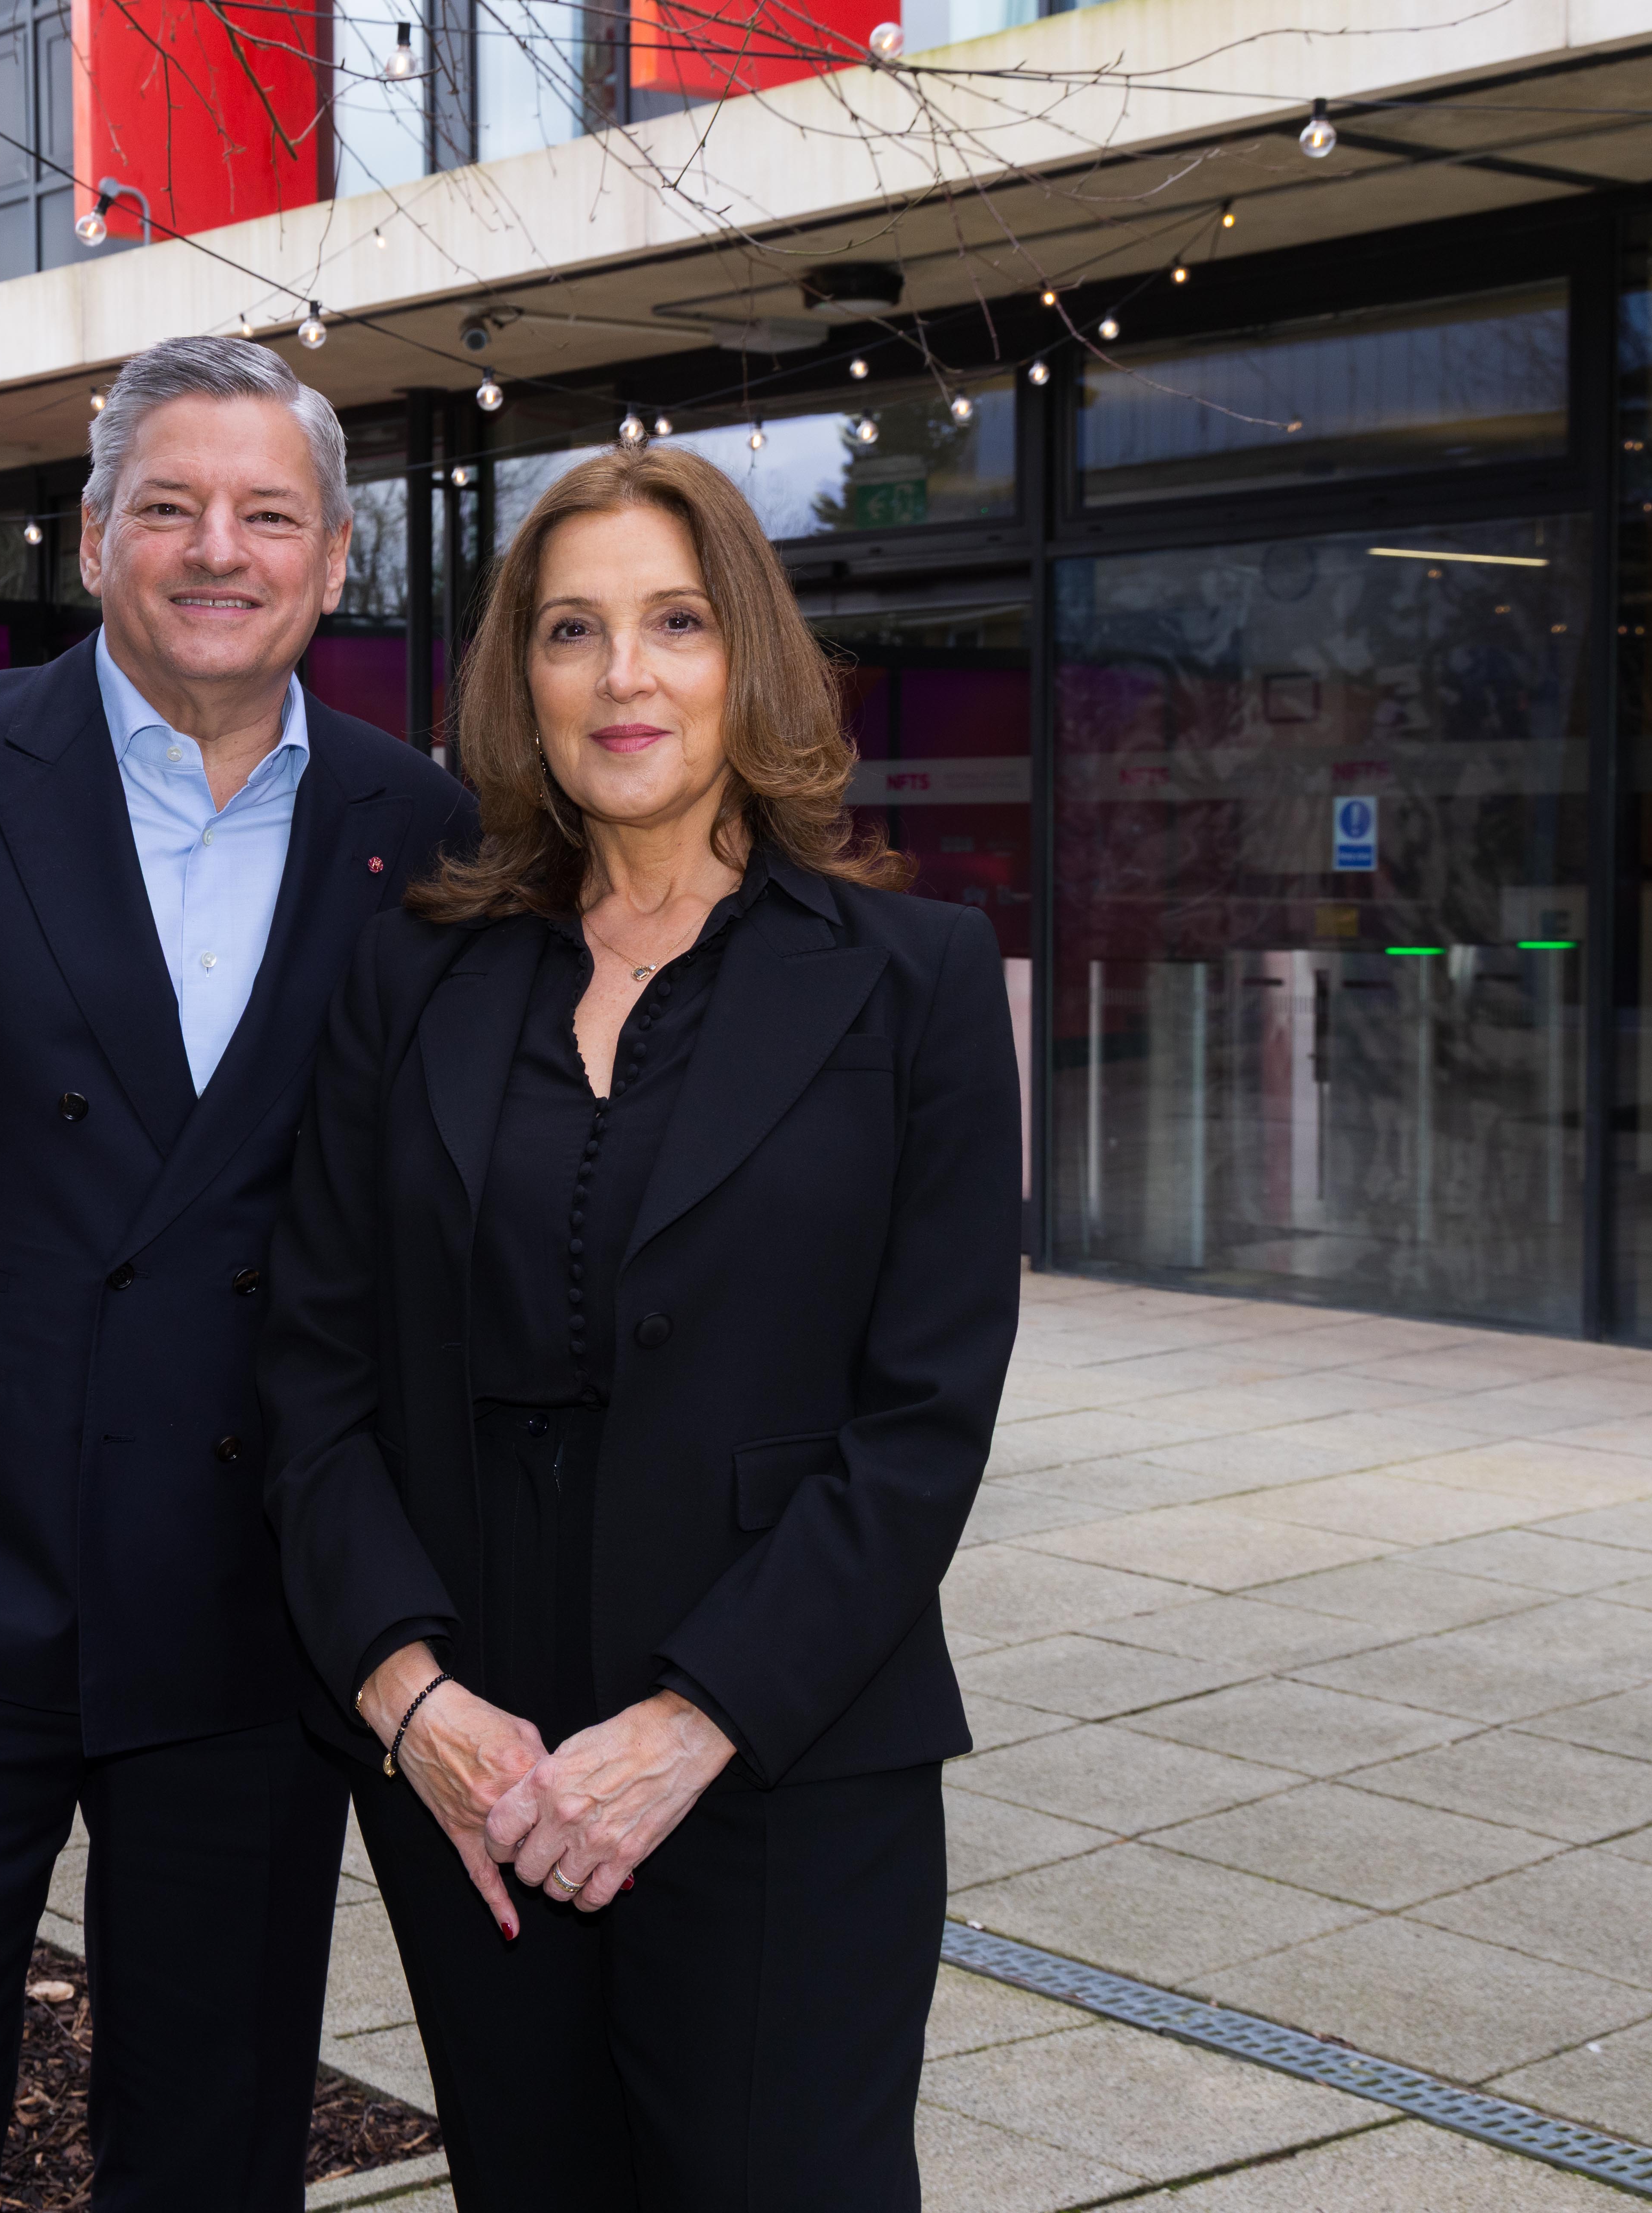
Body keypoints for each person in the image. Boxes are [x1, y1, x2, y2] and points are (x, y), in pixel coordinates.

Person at [0, 335, 475, 2212]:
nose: (218, 549)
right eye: (171, 507)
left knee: (214, 2147)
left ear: (334, 559)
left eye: (266, 513)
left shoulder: (423, 830)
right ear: (91, 535)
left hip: (248, 1601)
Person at [257, 443, 1022, 2209]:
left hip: (777, 1744)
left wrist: (689, 1726)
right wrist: (407, 1697)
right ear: (516, 681)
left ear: (746, 655)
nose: (624, 678)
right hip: (479, 1766)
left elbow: (919, 1427)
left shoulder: (907, 983)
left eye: (673, 623)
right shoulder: (411, 970)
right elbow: (309, 1366)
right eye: (572, 631)